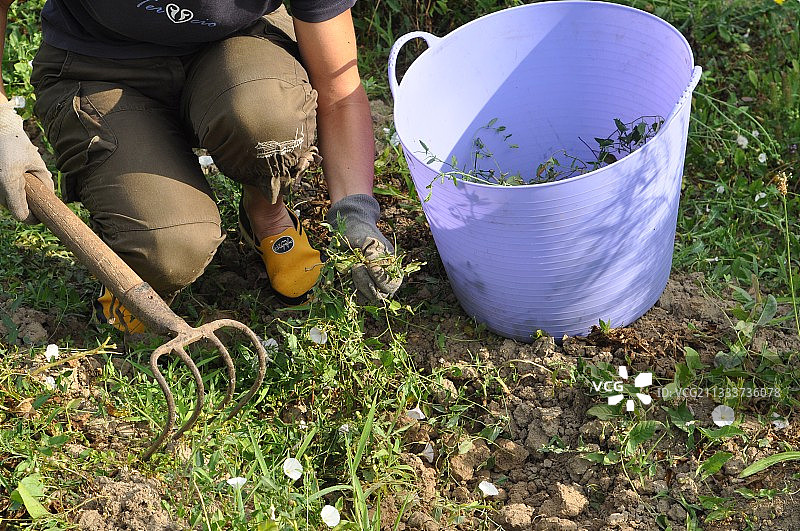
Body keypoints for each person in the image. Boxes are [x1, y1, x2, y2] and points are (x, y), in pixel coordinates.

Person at [0, 0, 402, 332]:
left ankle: (266, 211)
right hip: (99, 62)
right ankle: (140, 253)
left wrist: (355, 213)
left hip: (239, 47)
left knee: (268, 120)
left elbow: (339, 90)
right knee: (170, 250)